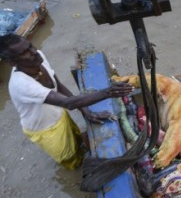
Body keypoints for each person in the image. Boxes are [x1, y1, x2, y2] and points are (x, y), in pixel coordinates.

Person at [0, 34, 134, 169]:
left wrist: (86, 111)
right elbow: (69, 103)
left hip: (58, 113)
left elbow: (58, 86)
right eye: (25, 53)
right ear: (12, 62)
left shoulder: (38, 58)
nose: (33, 52)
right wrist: (108, 92)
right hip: (45, 129)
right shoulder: (21, 85)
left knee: (77, 139)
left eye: (30, 46)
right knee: (73, 160)